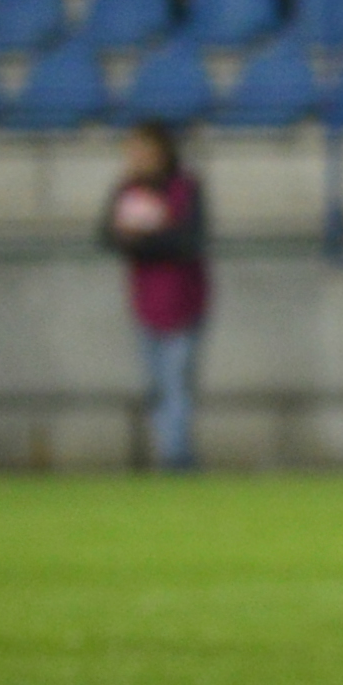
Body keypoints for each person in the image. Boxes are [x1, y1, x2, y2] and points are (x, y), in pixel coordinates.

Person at [102, 120, 210, 474]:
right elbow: (108, 235)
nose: (137, 158)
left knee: (176, 381)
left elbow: (188, 240)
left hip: (184, 299)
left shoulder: (185, 187)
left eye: (143, 151)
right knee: (156, 384)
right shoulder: (127, 190)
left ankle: (176, 458)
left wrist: (144, 236)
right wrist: (140, 237)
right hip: (145, 300)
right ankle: (172, 453)